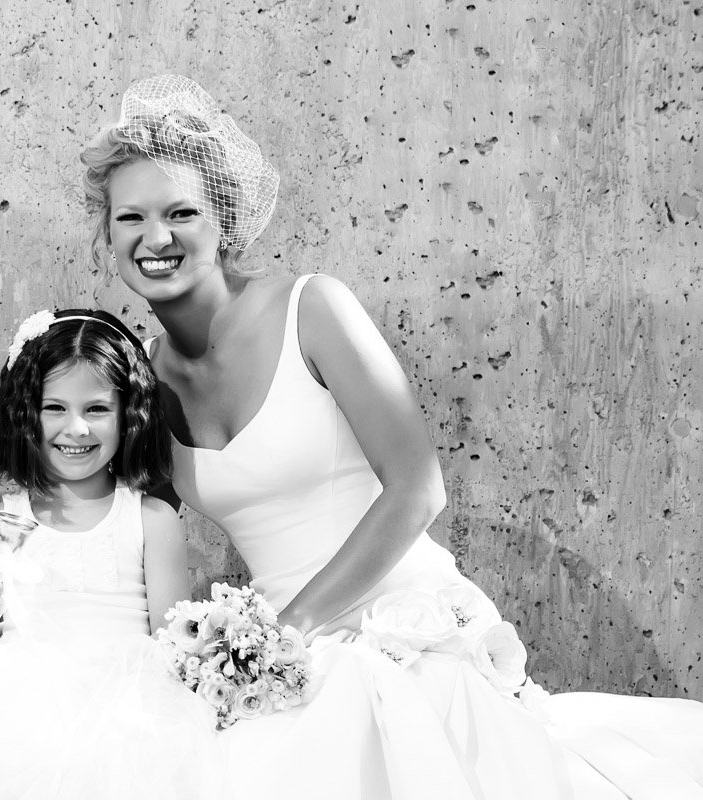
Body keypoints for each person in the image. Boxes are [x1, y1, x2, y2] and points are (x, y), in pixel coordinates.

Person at [80, 74, 703, 798]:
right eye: (131, 218)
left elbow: (418, 489)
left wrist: (288, 631)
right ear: (109, 233)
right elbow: (131, 529)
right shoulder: (143, 379)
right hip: (278, 672)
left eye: (181, 211)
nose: (156, 238)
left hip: (403, 632)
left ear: (224, 217)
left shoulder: (315, 308)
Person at [0, 308, 223, 799]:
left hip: (129, 714)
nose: (75, 429)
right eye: (54, 407)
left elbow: (173, 645)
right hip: (22, 716)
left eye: (96, 409)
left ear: (129, 417)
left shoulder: (151, 520)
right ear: (25, 415)